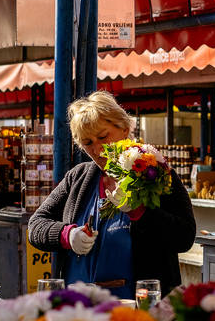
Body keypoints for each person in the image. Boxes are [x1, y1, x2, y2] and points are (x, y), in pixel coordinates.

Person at [28, 91, 196, 298]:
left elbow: (184, 236)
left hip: (139, 308)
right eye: (87, 143)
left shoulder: (157, 174)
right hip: (79, 308)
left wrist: (139, 212)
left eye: (103, 136)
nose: (98, 149)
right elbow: (36, 225)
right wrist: (67, 235)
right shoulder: (77, 178)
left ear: (124, 129)